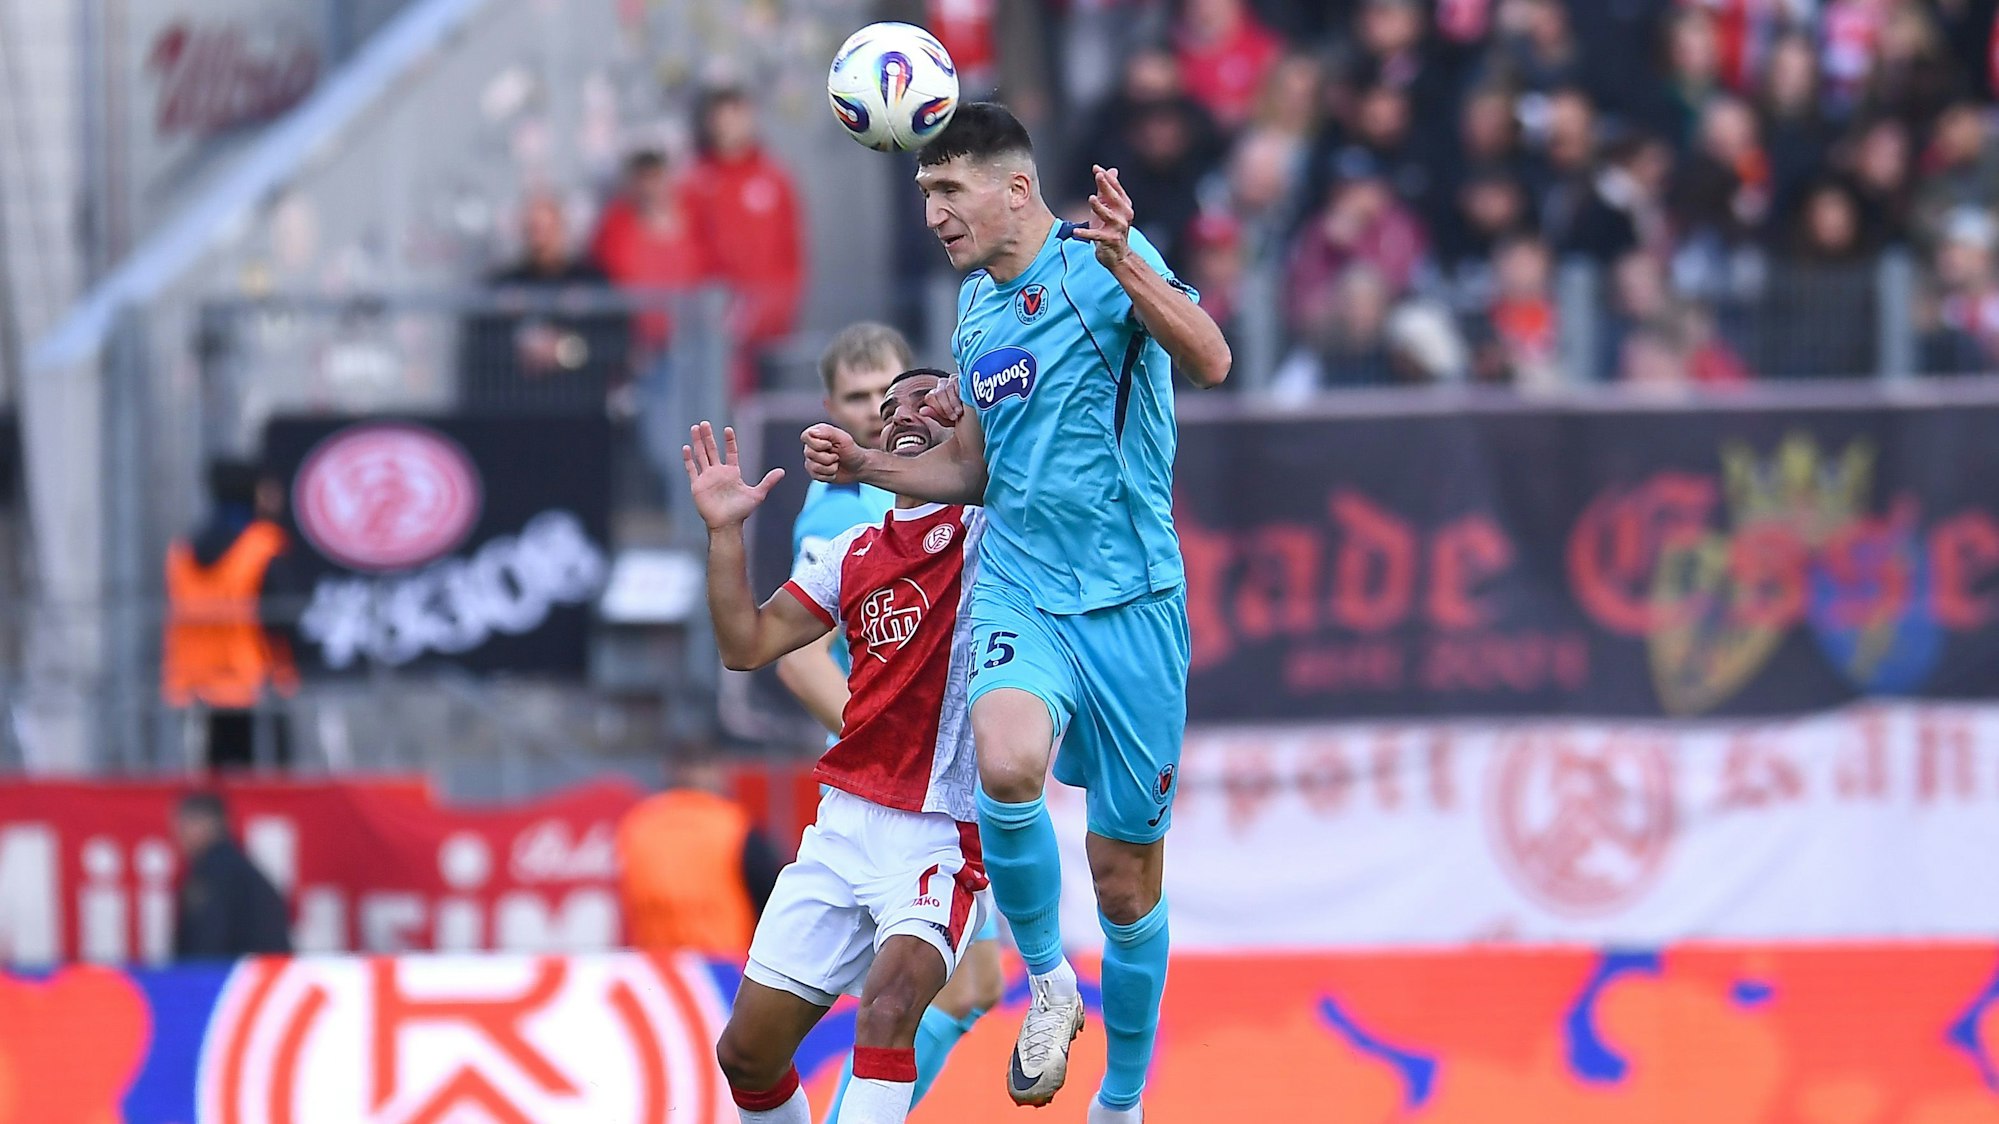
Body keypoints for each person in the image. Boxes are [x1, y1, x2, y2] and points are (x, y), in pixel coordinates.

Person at [804, 102, 1231, 1123]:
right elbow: (981, 468)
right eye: (924, 196)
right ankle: (1048, 984)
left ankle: (1121, 1099)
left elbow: (1210, 358)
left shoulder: (1103, 266)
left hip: (1133, 603)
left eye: (948, 193)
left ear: (1015, 190)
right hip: (1024, 587)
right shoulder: (976, 314)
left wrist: (1133, 267)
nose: (935, 216)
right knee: (1003, 761)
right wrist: (871, 463)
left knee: (1125, 882)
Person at [689, 371, 992, 1124]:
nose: (905, 416)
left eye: (928, 401)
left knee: (887, 1012)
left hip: (937, 835)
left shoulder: (993, 531)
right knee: (746, 1056)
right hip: (844, 825)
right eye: (889, 411)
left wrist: (980, 412)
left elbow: (996, 472)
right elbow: (746, 642)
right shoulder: (851, 550)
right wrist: (725, 533)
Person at [781, 324, 1004, 1123]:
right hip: (901, 793)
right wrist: (886, 729)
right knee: (904, 991)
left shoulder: (921, 473)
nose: (875, 414)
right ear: (832, 410)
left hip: (939, 776)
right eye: (852, 400)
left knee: (971, 986)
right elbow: (793, 654)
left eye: (885, 390)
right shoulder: (840, 509)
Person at [162, 460, 300, 771]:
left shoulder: (183, 550)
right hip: (250, 682)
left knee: (214, 786)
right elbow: (282, 618)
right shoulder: (260, 545)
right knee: (267, 791)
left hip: (195, 686)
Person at [459, 192, 631, 415]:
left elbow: (614, 344)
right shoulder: (503, 285)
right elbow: (480, 347)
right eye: (532, 230)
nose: (539, 239)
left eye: (546, 230)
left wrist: (562, 349)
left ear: (562, 229)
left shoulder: (591, 283)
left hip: (579, 413)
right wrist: (522, 349)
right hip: (515, 413)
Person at [615, 755, 783, 957]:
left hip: (658, 968)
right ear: (714, 772)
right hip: (724, 966)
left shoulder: (637, 824)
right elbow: (772, 897)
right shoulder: (734, 825)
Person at [172, 792, 292, 960]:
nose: (178, 837)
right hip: (264, 974)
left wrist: (192, 981)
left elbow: (206, 942)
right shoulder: (240, 867)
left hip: (233, 979)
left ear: (207, 825)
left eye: (183, 828)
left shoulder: (213, 874)